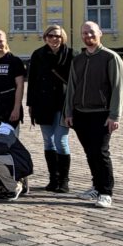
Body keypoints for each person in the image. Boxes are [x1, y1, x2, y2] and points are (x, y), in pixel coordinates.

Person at [63, 21, 123, 209]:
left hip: (102, 113)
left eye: (91, 32)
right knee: (90, 152)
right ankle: (96, 187)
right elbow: (71, 88)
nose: (88, 36)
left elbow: (118, 88)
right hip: (80, 113)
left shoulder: (110, 57)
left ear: (100, 33)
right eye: (84, 33)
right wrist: (68, 112)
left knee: (101, 152)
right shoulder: (79, 60)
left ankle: (106, 191)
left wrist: (115, 115)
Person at [27, 25, 73, 193]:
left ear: (63, 38)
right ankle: (53, 178)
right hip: (43, 104)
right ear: (45, 37)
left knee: (61, 140)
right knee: (48, 141)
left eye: (58, 36)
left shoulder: (70, 54)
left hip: (63, 103)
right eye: (51, 36)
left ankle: (64, 180)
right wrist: (30, 105)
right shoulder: (38, 55)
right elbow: (31, 82)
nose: (55, 39)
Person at [0, 30, 26, 135]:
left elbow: (20, 86)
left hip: (10, 104)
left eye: (0, 41)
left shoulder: (15, 61)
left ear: (5, 41)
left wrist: (16, 108)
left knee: (11, 139)